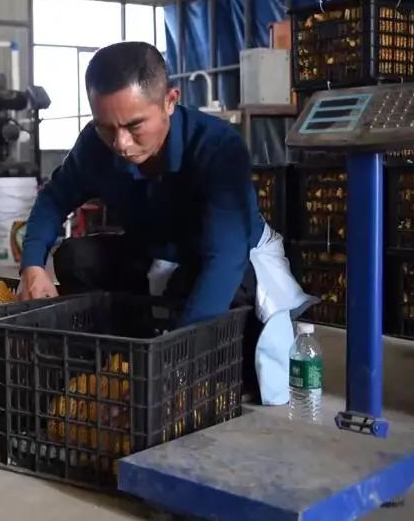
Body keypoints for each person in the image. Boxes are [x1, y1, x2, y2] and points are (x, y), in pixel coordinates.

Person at [19, 41, 315, 404]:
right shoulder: (96, 146)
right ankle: (116, 355)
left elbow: (224, 259)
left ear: (170, 101)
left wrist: (173, 366)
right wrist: (32, 264)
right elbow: (54, 198)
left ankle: (194, 361)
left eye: (134, 125)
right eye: (106, 127)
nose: (121, 143)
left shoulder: (218, 148)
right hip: (154, 251)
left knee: (219, 299)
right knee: (76, 258)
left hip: (230, 262)